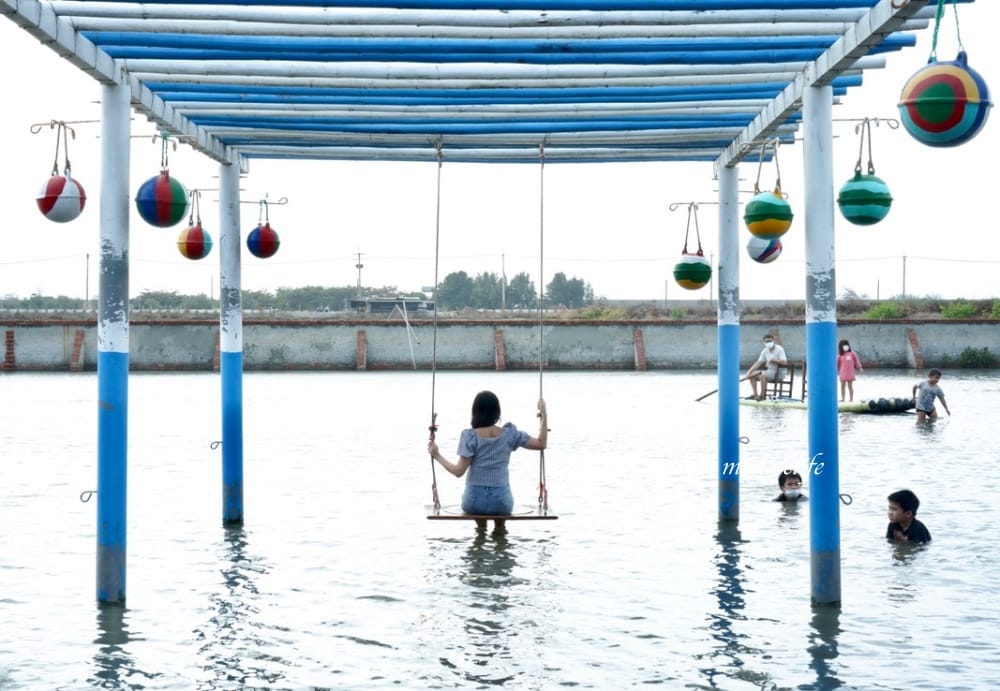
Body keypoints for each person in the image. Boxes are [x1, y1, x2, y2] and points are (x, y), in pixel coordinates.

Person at [427, 391, 547, 533]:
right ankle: (500, 533)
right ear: (497, 412)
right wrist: (544, 414)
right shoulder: (510, 434)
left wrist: (437, 455)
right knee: (500, 528)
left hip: (473, 502)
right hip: (501, 502)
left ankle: (480, 534)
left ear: (475, 412)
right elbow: (541, 443)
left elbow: (458, 472)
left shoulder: (470, 437)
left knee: (480, 529)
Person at [746, 334, 788, 400]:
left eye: (770, 341)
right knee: (751, 374)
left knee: (762, 375)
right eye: (767, 341)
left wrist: (773, 360)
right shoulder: (765, 351)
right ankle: (755, 395)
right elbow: (759, 362)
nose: (768, 343)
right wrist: (749, 371)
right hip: (769, 372)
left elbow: (784, 362)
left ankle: (762, 396)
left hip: (779, 373)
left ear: (773, 341)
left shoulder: (779, 349)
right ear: (764, 342)